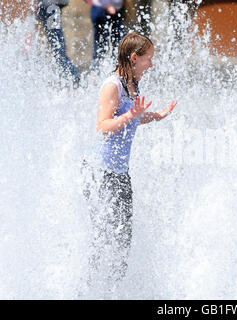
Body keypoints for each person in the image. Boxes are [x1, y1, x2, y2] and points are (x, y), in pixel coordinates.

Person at [83, 32, 177, 292]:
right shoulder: (112, 85)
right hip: (100, 174)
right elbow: (103, 125)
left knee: (123, 239)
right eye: (148, 59)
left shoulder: (132, 83)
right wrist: (131, 115)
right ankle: (89, 289)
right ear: (134, 58)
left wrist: (156, 116)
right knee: (103, 238)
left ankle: (113, 290)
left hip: (120, 174)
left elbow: (131, 116)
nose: (152, 64)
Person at [34, 0, 80, 84]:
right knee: (56, 43)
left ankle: (73, 77)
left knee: (57, 44)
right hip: (47, 6)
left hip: (51, 6)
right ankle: (71, 76)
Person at [83, 0, 125, 68]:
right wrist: (107, 4)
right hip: (104, 9)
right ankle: (96, 71)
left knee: (117, 43)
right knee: (102, 45)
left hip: (113, 9)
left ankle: (114, 68)